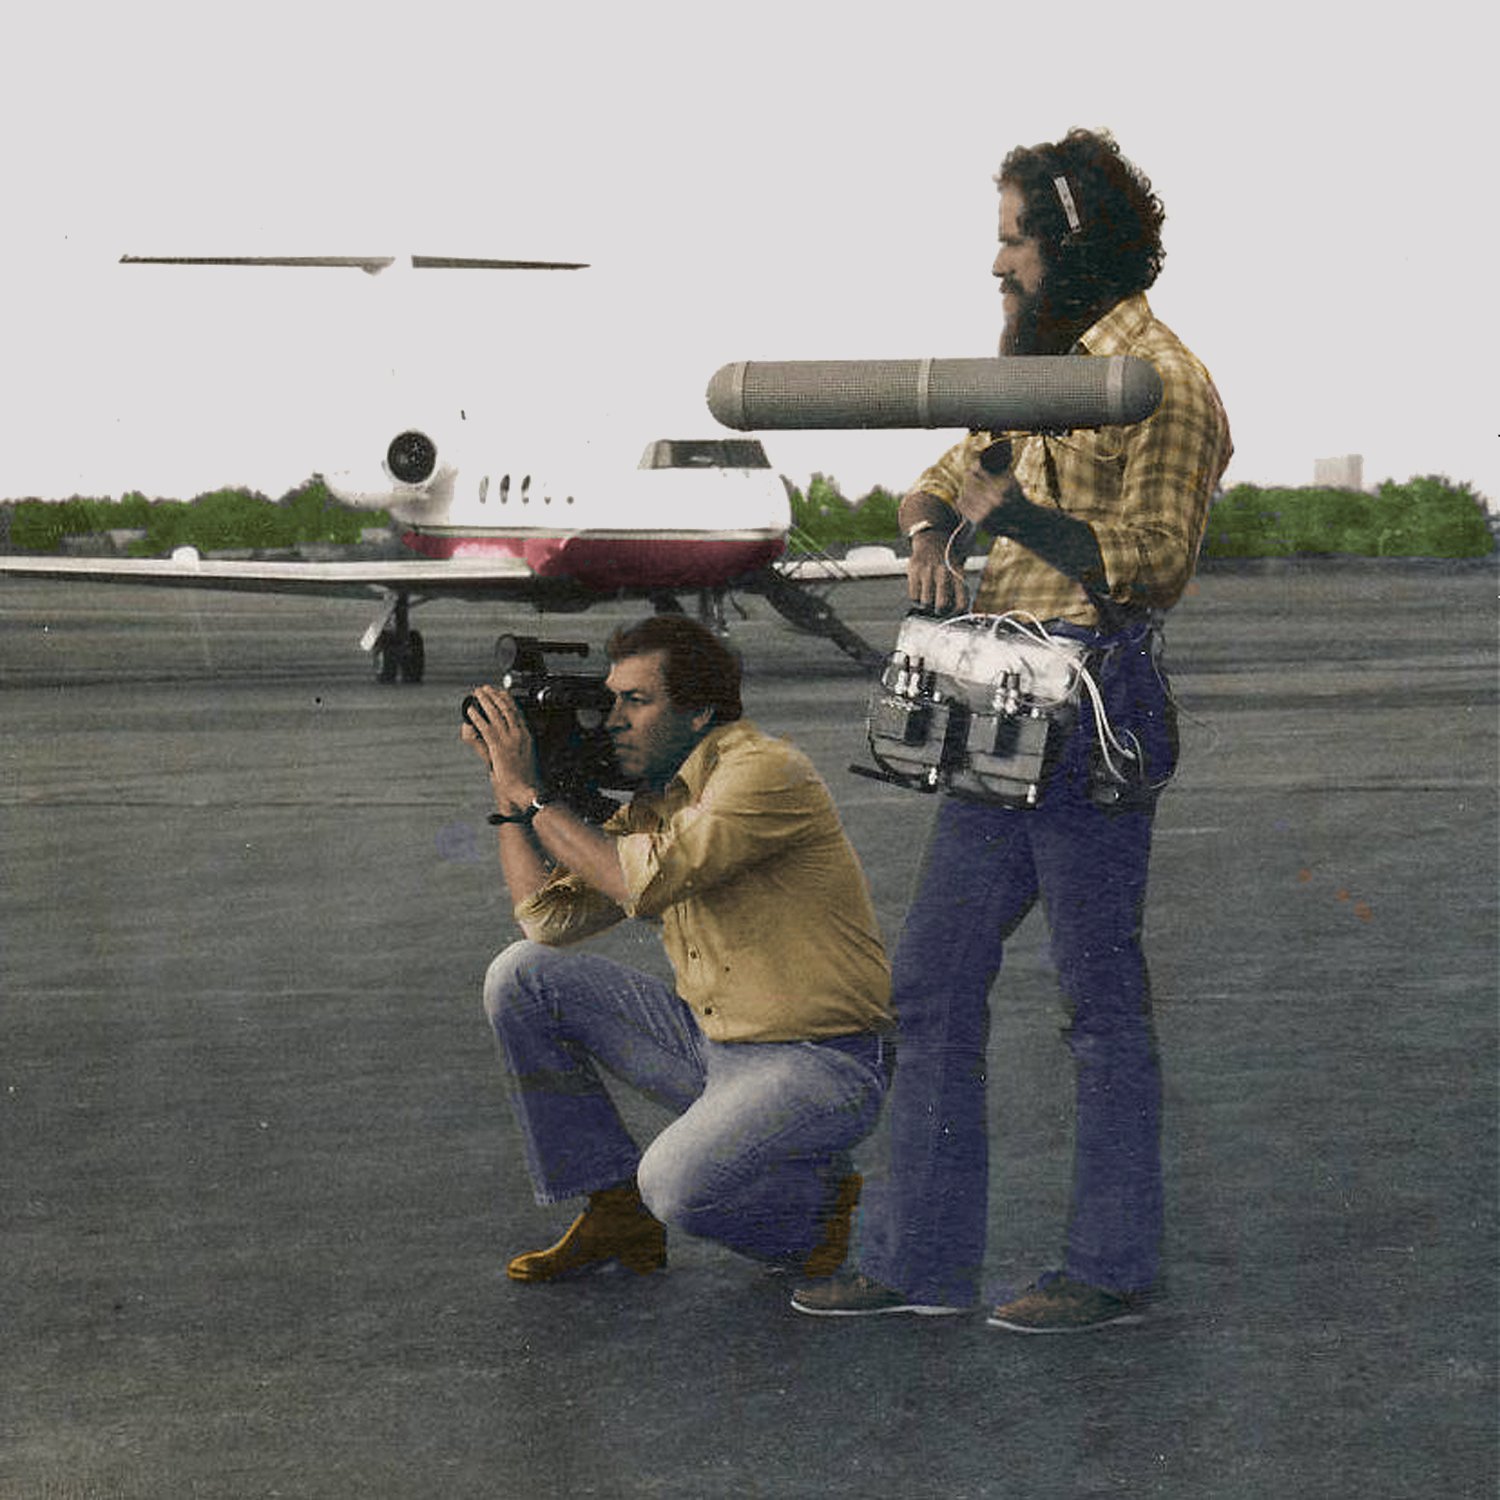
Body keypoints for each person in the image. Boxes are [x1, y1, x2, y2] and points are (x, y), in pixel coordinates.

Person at [792, 128, 1232, 1331]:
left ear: (1072, 243)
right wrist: (934, 536)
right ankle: (918, 1261)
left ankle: (1110, 1268)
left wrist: (1024, 524)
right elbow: (940, 475)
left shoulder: (1165, 384)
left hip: (1091, 699)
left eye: (1013, 242)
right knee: (932, 983)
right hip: (999, 702)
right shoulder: (1036, 373)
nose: (998, 268)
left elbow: (1156, 563)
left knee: (1096, 997)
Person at [465, 614, 893, 1285]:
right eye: (612, 701)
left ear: (699, 712)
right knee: (522, 976)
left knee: (673, 1185)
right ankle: (614, 1210)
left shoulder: (764, 771)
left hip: (822, 1065)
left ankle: (813, 1214)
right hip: (714, 1051)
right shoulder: (659, 800)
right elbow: (547, 922)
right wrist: (510, 797)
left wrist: (535, 793)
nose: (612, 721)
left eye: (637, 701)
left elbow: (642, 882)